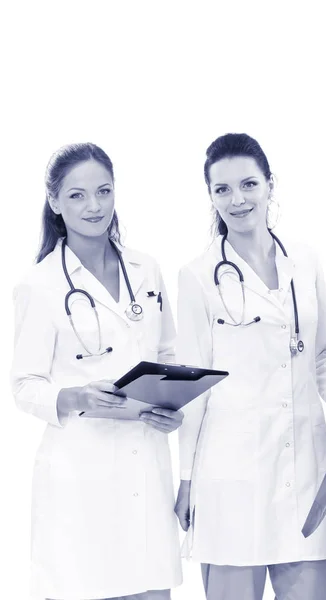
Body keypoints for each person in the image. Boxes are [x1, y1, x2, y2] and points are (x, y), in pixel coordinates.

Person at [174, 133, 326, 600]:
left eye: (248, 184)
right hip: (230, 479)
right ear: (210, 197)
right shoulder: (198, 276)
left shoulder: (304, 262)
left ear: (269, 184)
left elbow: (324, 355)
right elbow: (193, 386)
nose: (237, 199)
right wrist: (186, 482)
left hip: (306, 475)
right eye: (221, 189)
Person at [11, 143, 183, 600]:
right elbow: (24, 387)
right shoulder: (40, 284)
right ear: (54, 203)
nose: (94, 206)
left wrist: (173, 408)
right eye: (77, 196)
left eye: (103, 191)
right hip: (79, 475)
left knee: (149, 588)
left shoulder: (146, 269)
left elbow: (167, 352)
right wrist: (77, 397)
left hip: (145, 467)